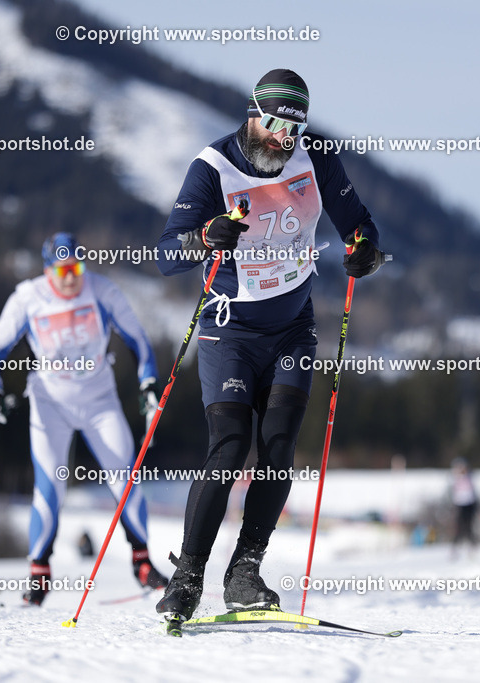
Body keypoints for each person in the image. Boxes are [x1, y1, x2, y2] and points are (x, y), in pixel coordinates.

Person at [154, 68, 386, 621]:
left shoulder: (316, 157)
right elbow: (166, 255)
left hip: (292, 328)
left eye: (295, 129)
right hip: (229, 329)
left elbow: (360, 226)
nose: (285, 139)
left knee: (278, 446)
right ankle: (187, 577)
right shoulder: (212, 168)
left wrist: (365, 252)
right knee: (230, 445)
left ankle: (244, 572)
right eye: (277, 125)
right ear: (253, 114)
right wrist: (206, 236)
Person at [0, 233, 168, 605]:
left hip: (99, 400)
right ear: (47, 270)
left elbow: (138, 339)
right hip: (50, 403)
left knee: (125, 477)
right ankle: (38, 575)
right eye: (63, 271)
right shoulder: (28, 298)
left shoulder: (102, 291)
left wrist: (148, 382)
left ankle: (143, 564)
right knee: (50, 485)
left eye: (77, 269)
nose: (71, 278)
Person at [450, 458, 478, 558]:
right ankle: (456, 547)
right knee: (459, 527)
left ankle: (472, 547)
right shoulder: (454, 479)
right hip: (459, 505)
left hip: (469, 505)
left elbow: (474, 493)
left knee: (469, 527)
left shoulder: (470, 478)